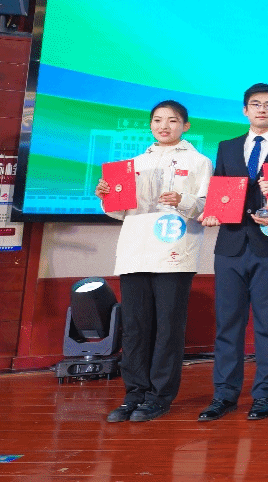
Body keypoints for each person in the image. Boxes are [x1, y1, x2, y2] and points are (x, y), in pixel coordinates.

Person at [97, 100, 212, 423]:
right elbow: (120, 212)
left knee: (168, 328)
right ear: (150, 125)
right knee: (135, 327)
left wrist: (183, 199)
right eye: (158, 120)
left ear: (185, 126)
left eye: (172, 120)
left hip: (175, 252)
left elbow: (208, 206)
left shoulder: (200, 162)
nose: (164, 126)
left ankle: (159, 397)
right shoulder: (133, 163)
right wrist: (107, 196)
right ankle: (134, 394)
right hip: (135, 251)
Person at [198, 84, 268, 422]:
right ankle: (224, 395)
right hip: (230, 245)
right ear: (245, 110)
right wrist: (213, 212)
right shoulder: (227, 147)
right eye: (255, 104)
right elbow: (221, 190)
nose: (262, 109)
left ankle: (264, 395)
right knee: (227, 324)